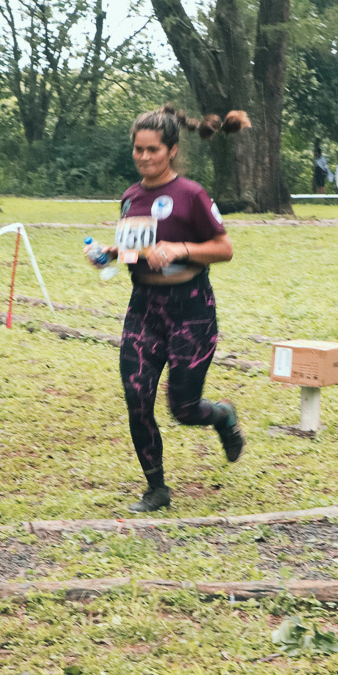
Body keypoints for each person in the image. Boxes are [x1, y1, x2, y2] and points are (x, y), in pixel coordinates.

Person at [87, 105, 245, 513]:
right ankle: (156, 488)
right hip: (144, 308)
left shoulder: (192, 195)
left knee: (184, 408)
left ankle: (223, 416)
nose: (144, 157)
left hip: (190, 309)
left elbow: (224, 248)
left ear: (171, 150)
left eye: (153, 150)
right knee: (136, 396)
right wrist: (109, 253)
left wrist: (182, 249)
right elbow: (134, 250)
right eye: (138, 149)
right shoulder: (130, 197)